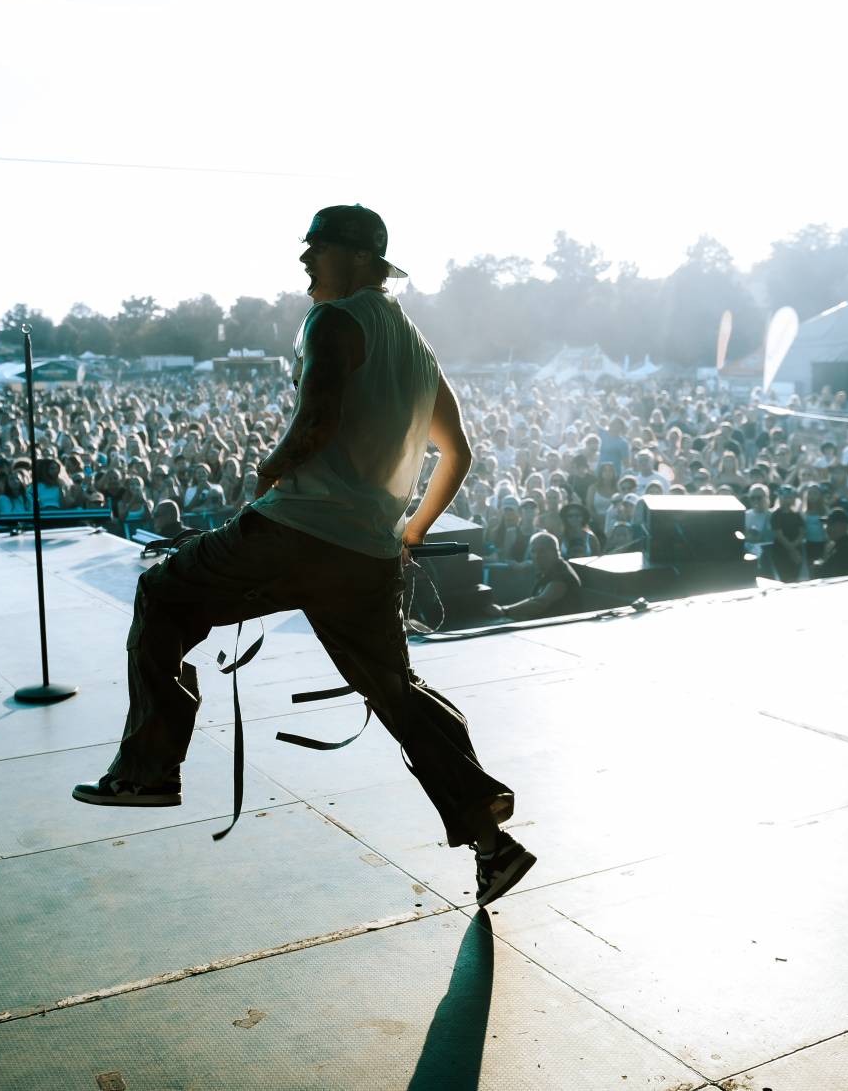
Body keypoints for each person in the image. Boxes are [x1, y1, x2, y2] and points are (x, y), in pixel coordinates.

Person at [73, 204, 534, 906]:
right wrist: (408, 531)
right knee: (395, 693)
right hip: (366, 555)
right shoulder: (416, 348)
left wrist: (267, 473)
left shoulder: (335, 319)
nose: (303, 263)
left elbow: (316, 419)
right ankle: (489, 841)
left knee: (162, 594)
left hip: (296, 531)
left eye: (314, 249)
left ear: (352, 257)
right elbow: (458, 452)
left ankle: (148, 768)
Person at [493, 531, 583, 620]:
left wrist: (504, 610)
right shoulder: (548, 570)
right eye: (533, 551)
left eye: (542, 551)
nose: (537, 556)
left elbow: (540, 604)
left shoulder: (562, 574)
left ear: (556, 552)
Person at [813, 508, 848, 578]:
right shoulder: (836, 546)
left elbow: (833, 574)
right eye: (826, 525)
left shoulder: (847, 550)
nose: (827, 528)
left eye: (830, 524)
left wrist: (818, 567)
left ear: (842, 526)